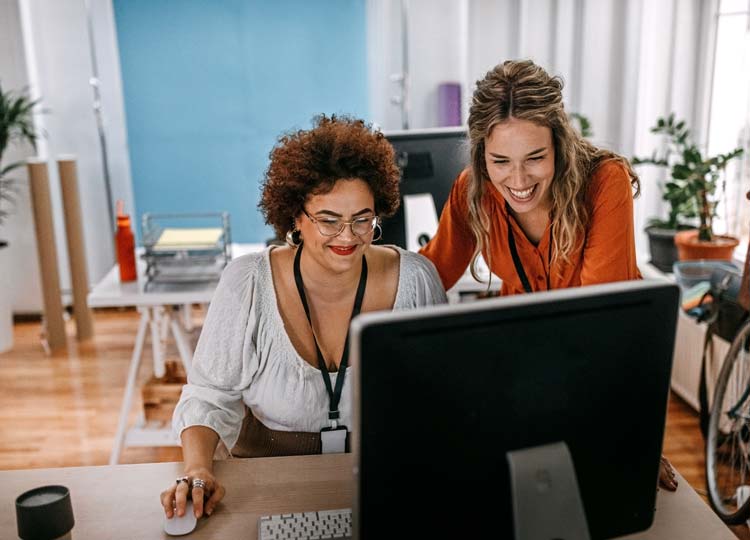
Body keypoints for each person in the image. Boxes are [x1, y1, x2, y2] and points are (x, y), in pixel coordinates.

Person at [161, 115, 447, 521]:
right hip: (265, 482)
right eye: (329, 220)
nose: (348, 236)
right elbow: (208, 397)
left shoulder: (416, 279)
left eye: (363, 219)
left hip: (383, 479)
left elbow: (442, 396)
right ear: (296, 217)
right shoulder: (248, 283)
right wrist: (198, 469)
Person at [420, 59, 678, 490]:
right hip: (525, 370)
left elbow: (600, 321)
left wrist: (629, 437)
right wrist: (347, 261)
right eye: (500, 160)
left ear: (559, 143)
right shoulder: (472, 190)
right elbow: (431, 272)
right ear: (482, 153)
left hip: (606, 374)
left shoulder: (603, 183)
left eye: (535, 158)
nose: (517, 179)